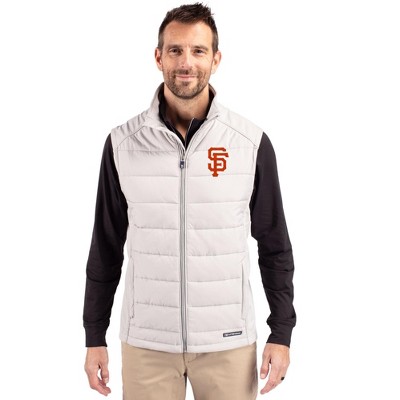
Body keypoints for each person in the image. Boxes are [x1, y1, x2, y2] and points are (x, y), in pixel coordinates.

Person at [83, 3, 296, 399]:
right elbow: (106, 246)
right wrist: (94, 334)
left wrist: (281, 332)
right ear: (158, 57)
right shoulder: (122, 144)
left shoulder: (249, 144)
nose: (186, 62)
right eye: (176, 50)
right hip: (147, 343)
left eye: (198, 51)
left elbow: (275, 245)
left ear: (215, 59)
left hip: (228, 343)